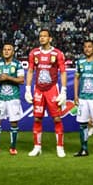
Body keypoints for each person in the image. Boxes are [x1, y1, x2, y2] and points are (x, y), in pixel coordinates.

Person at [26, 28, 69, 158]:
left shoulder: (57, 53)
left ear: (50, 38)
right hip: (38, 89)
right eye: (40, 36)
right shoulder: (34, 53)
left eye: (45, 36)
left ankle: (60, 147)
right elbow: (30, 71)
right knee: (37, 118)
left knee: (56, 118)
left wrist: (63, 91)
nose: (42, 38)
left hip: (52, 89)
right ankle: (37, 147)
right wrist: (28, 89)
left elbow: (63, 72)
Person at [0, 43, 25, 155]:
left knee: (13, 122)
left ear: (13, 52)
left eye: (9, 49)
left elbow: (21, 80)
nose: (6, 51)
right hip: (1, 97)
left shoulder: (17, 64)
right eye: (4, 49)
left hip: (13, 97)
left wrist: (8, 78)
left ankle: (12, 147)